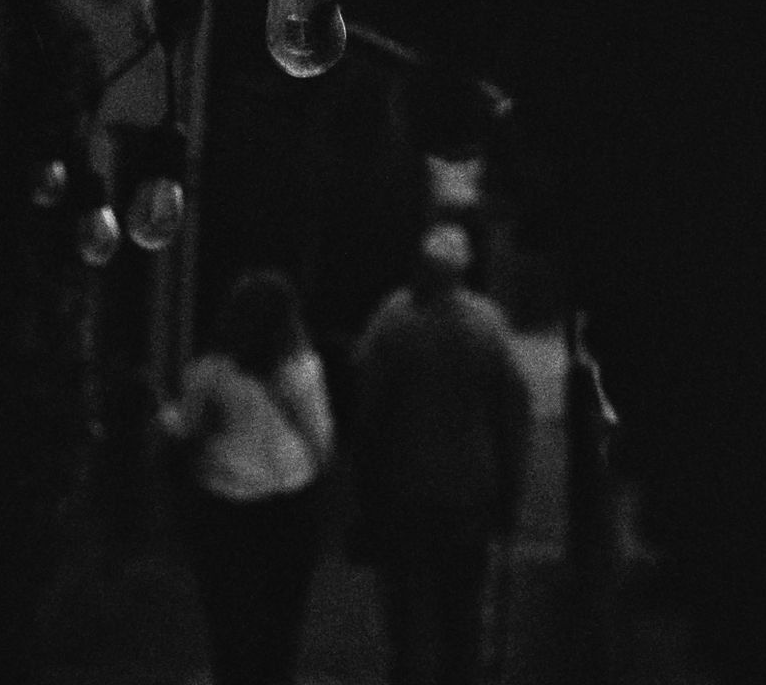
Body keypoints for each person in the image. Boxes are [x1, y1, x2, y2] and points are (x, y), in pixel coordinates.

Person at [352, 223, 533, 685]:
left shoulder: (394, 318)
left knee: (407, 610)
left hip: (405, 486)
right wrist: (512, 489)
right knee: (464, 610)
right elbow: (514, 413)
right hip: (470, 488)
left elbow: (367, 404)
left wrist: (364, 483)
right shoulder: (487, 324)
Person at [158, 267, 334, 685]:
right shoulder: (304, 370)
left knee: (228, 614)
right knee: (282, 615)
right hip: (291, 502)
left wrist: (162, 417)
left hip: (224, 503)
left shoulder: (210, 372)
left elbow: (185, 428)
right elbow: (322, 441)